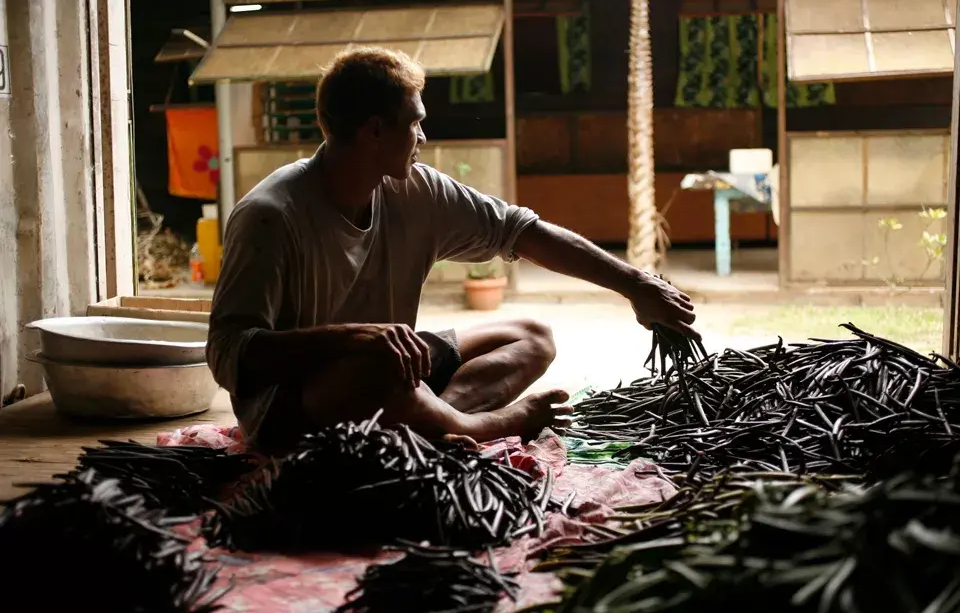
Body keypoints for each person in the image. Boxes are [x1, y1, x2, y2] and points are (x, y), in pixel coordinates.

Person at [207, 47, 699, 455]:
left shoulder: (413, 189)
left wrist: (635, 284)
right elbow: (230, 356)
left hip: (389, 369)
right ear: (375, 130)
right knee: (377, 369)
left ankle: (442, 426)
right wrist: (352, 339)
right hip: (294, 411)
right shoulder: (272, 215)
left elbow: (518, 230)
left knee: (531, 335)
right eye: (415, 122)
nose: (423, 136)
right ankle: (485, 426)